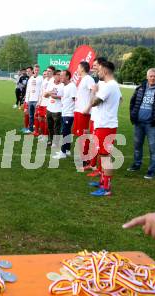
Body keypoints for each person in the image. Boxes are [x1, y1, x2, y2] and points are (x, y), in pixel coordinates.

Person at [83, 61, 121, 196]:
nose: (97, 72)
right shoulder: (113, 85)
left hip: (106, 126)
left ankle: (107, 189)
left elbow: (94, 102)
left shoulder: (109, 86)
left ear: (104, 71)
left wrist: (93, 92)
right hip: (104, 124)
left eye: (98, 70)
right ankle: (103, 182)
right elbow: (120, 100)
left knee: (105, 157)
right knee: (103, 155)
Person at [74, 61, 96, 169]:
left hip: (84, 112)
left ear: (82, 68)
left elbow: (94, 91)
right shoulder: (83, 79)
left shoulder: (88, 79)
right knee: (80, 135)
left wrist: (89, 107)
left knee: (84, 135)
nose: (77, 69)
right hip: (78, 111)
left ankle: (85, 159)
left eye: (78, 67)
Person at [53, 70, 76, 159]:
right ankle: (67, 150)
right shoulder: (65, 86)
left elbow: (75, 99)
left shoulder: (72, 86)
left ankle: (62, 152)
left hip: (69, 113)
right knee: (67, 132)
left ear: (67, 77)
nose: (60, 77)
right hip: (65, 112)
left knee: (65, 132)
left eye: (62, 76)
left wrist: (73, 111)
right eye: (60, 75)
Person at [44, 70, 64, 147]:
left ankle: (56, 142)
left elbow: (66, 97)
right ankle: (50, 140)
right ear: (54, 76)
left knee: (57, 127)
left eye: (61, 75)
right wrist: (49, 93)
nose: (59, 76)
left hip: (58, 109)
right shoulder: (50, 84)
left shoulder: (63, 85)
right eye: (58, 74)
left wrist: (57, 97)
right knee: (50, 126)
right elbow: (45, 95)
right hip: (49, 108)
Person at [24, 65, 43, 133]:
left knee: (37, 116)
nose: (36, 71)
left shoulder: (41, 78)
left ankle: (38, 129)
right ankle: (30, 128)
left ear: (39, 70)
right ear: (33, 71)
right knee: (31, 115)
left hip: (37, 100)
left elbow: (42, 90)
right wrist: (26, 100)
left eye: (37, 70)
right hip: (30, 100)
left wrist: (40, 100)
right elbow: (28, 90)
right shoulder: (30, 79)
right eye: (35, 70)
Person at [36, 67, 54, 137]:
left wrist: (48, 94)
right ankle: (43, 134)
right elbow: (41, 92)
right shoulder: (45, 80)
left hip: (48, 104)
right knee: (40, 118)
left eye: (49, 71)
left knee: (47, 120)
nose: (47, 72)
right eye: (47, 71)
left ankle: (46, 135)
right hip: (42, 103)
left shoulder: (53, 80)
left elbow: (53, 92)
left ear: (53, 72)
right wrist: (39, 102)